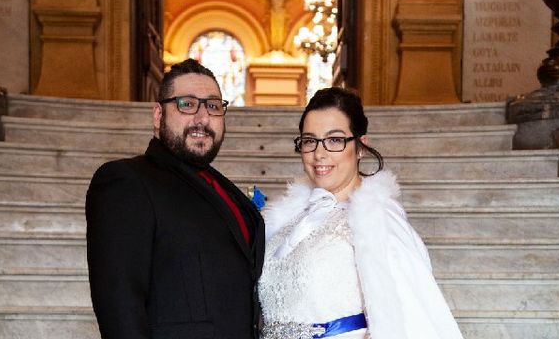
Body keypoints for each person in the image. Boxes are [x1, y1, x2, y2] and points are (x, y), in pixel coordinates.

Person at [258, 87, 463, 339]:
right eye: (310, 141)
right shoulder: (287, 223)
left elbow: (412, 317)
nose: (319, 154)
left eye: (335, 140)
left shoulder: (376, 219)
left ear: (361, 146)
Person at [86, 59, 265, 339]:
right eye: (187, 104)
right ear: (158, 115)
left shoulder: (220, 187)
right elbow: (120, 305)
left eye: (213, 106)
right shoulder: (127, 181)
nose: (202, 118)